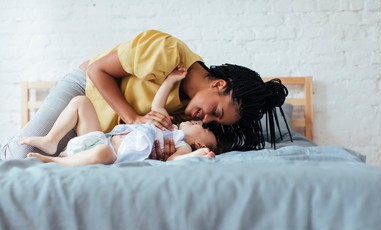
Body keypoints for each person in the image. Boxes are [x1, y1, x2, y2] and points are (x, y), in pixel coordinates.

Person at [0, 29, 289, 160]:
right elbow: (99, 70)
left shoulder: (190, 117)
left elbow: (172, 141)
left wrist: (163, 152)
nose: (207, 118)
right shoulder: (167, 52)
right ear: (218, 85)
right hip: (86, 90)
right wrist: (134, 117)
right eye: (216, 111)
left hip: (102, 135)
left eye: (214, 122)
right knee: (21, 154)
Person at [19, 66, 216, 166]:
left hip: (106, 154)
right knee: (81, 102)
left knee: (104, 152)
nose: (199, 121)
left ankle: (55, 162)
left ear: (200, 144)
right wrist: (172, 79)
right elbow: (158, 103)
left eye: (202, 127)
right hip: (96, 138)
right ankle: (51, 140)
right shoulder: (167, 124)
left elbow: (175, 163)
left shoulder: (181, 145)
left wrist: (197, 155)